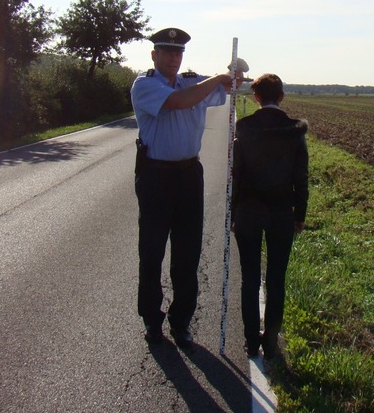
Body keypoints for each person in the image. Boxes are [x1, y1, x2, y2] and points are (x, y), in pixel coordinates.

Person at [131, 27, 239, 349]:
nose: (173, 59)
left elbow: (227, 89)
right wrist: (217, 78)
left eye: (178, 54)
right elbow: (179, 102)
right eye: (167, 53)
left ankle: (182, 321)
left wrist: (233, 75)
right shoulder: (145, 84)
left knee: (188, 253)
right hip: (155, 176)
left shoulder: (192, 81)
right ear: (155, 55)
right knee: (152, 251)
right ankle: (152, 319)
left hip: (190, 175)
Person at [231, 73, 309, 359]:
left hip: (248, 212)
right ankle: (272, 342)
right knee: (276, 278)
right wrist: (299, 214)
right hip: (281, 213)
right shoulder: (295, 130)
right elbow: (301, 179)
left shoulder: (244, 127)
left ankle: (252, 341)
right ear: (282, 97)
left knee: (249, 279)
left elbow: (235, 176)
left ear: (256, 98)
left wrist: (232, 213)